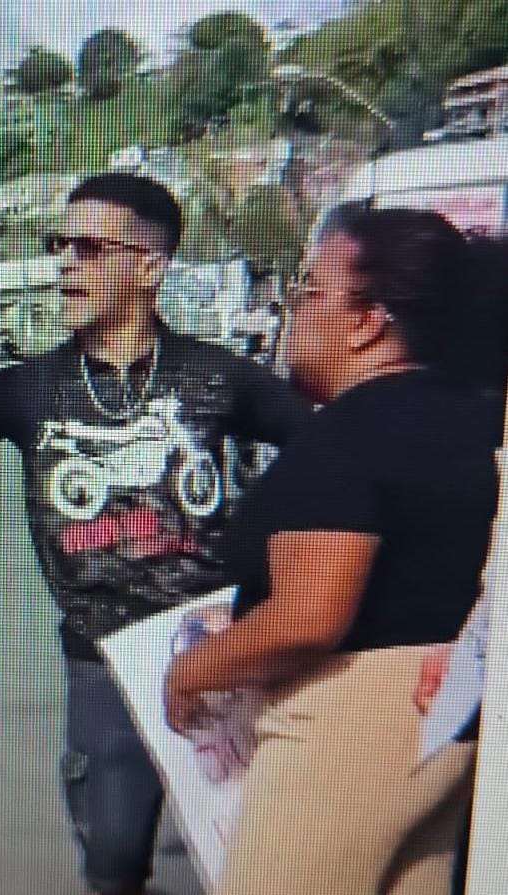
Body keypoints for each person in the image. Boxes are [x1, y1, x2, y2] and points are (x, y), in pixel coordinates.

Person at [0, 172, 310, 895]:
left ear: (149, 266)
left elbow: (324, 451)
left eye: (89, 247)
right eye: (59, 245)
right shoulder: (31, 388)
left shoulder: (218, 377)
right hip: (103, 665)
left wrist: (281, 573)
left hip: (222, 651)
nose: (65, 264)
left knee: (256, 856)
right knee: (113, 862)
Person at [163, 206, 497, 895]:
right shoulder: (475, 413)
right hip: (446, 713)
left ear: (367, 320)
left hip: (347, 721)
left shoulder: (353, 431)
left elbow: (310, 615)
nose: (294, 311)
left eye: (309, 290)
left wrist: (190, 672)